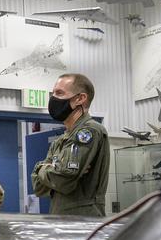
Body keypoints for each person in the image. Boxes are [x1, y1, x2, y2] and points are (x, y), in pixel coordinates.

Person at [32, 73, 110, 216]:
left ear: (80, 98)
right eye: (53, 93)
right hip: (60, 218)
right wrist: (48, 170)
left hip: (82, 221)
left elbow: (63, 179)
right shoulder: (61, 140)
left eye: (59, 93)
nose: (53, 98)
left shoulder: (89, 131)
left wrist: (43, 168)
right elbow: (38, 187)